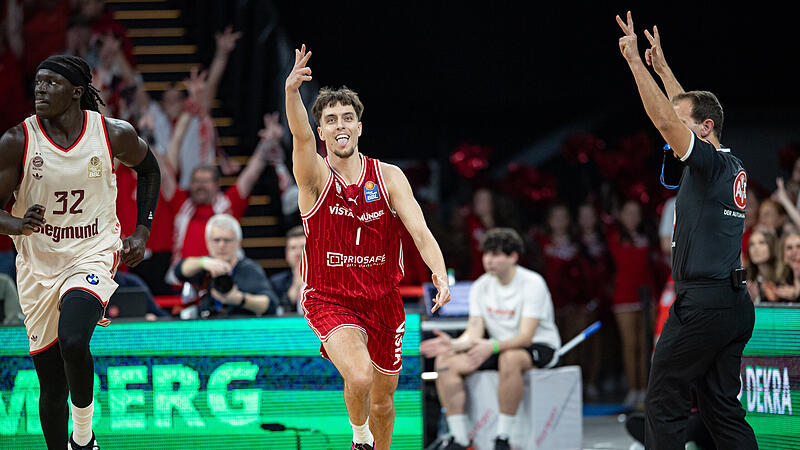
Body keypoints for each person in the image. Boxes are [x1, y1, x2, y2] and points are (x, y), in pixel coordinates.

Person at [285, 45, 450, 450]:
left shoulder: (390, 176)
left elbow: (420, 230)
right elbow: (299, 135)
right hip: (329, 297)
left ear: (359, 126)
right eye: (330, 120)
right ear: (322, 130)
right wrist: (292, 95)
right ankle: (359, 440)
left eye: (347, 118)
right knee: (358, 376)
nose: (339, 125)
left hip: (383, 300)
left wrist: (439, 272)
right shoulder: (315, 176)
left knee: (383, 402)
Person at [0, 54, 160, 449]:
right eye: (37, 82)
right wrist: (19, 225)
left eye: (51, 83)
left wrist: (142, 230)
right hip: (38, 265)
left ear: (76, 92)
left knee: (74, 341)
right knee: (52, 384)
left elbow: (150, 169)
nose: (40, 89)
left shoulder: (111, 133)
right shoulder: (17, 141)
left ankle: (84, 437)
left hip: (92, 251)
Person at [617, 12, 757, 449]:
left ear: (705, 129)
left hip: (703, 305)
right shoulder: (726, 165)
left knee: (662, 402)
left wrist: (636, 66)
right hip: (733, 303)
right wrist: (663, 69)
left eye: (686, 126)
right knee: (721, 409)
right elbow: (684, 111)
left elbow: (667, 121)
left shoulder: (710, 163)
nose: (674, 134)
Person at [421, 228, 560, 450]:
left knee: (511, 358)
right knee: (445, 362)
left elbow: (525, 336)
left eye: (496, 255)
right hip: (496, 347)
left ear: (513, 256)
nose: (489, 260)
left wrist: (492, 346)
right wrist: (454, 345)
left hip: (539, 346)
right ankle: (460, 438)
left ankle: (503, 437)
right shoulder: (481, 286)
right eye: (487, 254)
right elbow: (474, 332)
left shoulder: (533, 283)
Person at [173, 213, 277, 317]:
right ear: (208, 242)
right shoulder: (203, 266)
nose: (221, 245)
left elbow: (270, 303)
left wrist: (240, 299)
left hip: (238, 327)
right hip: (207, 328)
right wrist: (203, 262)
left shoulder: (248, 268)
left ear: (238, 243)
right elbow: (179, 270)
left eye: (227, 240)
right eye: (216, 240)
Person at [269, 225, 305, 314]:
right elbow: (277, 313)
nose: (298, 253)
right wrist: (295, 287)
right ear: (286, 255)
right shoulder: (276, 282)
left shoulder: (326, 281)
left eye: (303, 247)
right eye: (293, 248)